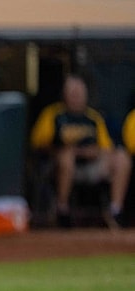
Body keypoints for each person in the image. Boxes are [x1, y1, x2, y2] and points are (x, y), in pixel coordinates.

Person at [30, 74, 132, 228]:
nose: (76, 96)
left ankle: (115, 210)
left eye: (79, 92)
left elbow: (106, 147)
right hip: (59, 167)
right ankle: (62, 210)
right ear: (64, 95)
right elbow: (38, 145)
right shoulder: (53, 114)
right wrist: (65, 150)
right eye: (72, 92)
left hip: (92, 165)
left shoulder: (93, 117)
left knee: (121, 157)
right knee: (66, 156)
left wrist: (94, 152)